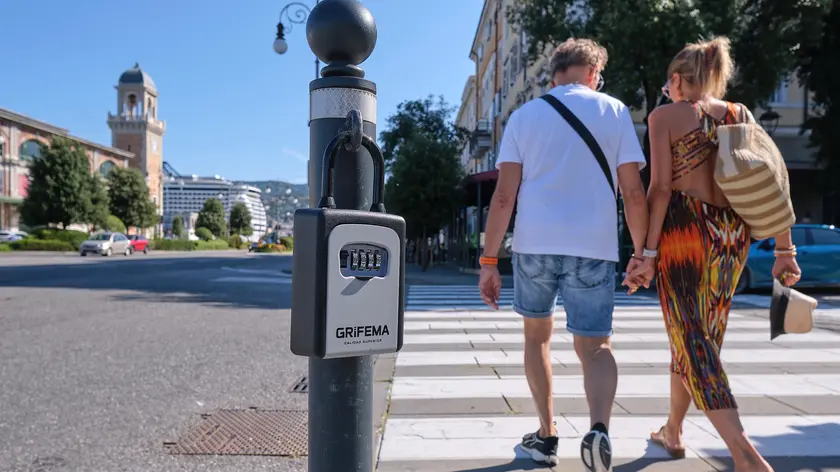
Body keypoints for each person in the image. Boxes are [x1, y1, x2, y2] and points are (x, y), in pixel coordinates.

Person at [625, 36, 802, 472]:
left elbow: (660, 189)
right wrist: (785, 248)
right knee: (697, 336)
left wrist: (646, 252)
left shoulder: (665, 115)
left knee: (693, 338)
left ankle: (744, 453)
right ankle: (673, 430)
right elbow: (771, 180)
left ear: (676, 80)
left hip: (685, 230)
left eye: (669, 84)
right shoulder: (739, 114)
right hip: (731, 234)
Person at [478, 38, 649, 471]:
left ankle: (547, 436)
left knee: (537, 339)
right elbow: (632, 191)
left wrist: (489, 260)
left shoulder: (524, 116)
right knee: (595, 345)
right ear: (594, 74)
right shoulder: (614, 111)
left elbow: (503, 197)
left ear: (553, 75)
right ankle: (598, 429)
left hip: (534, 244)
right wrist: (643, 253)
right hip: (594, 246)